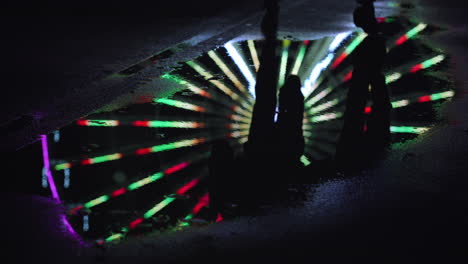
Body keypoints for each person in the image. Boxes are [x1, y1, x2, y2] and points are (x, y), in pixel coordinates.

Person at [335, 0, 391, 173]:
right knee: (375, 108)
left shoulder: (371, 44)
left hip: (363, 78)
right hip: (369, 78)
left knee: (360, 111)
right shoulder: (375, 42)